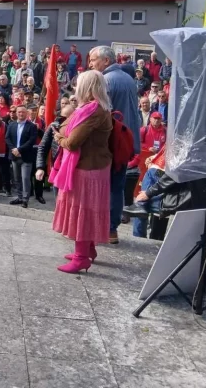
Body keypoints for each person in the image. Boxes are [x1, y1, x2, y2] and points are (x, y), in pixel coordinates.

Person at [51, 70, 114, 273]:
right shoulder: (95, 108)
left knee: (83, 212)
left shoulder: (93, 110)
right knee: (86, 211)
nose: (75, 88)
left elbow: (72, 142)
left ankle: (81, 258)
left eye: (79, 84)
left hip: (88, 169)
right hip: (92, 166)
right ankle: (88, 250)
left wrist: (58, 138)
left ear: (87, 87)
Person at [89, 45, 141, 244]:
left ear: (106, 61)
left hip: (111, 141)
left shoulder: (105, 80)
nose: (91, 64)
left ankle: (104, 227)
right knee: (117, 186)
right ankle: (112, 229)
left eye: (93, 60)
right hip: (126, 140)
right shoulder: (128, 78)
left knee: (105, 185)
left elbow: (100, 113)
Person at [35, 104, 75, 202]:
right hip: (58, 168)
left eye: (70, 117)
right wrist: (40, 167)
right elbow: (42, 147)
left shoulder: (78, 128)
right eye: (64, 117)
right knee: (59, 201)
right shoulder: (54, 126)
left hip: (73, 171)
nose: (66, 120)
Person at [5, 105, 38, 207]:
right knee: (17, 178)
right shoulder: (11, 125)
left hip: (26, 157)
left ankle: (25, 199)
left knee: (25, 178)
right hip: (14, 156)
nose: (21, 114)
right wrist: (13, 149)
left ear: (26, 113)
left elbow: (31, 141)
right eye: (19, 112)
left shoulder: (32, 126)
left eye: (23, 112)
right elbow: (7, 138)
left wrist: (19, 149)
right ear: (16, 113)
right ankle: (19, 197)